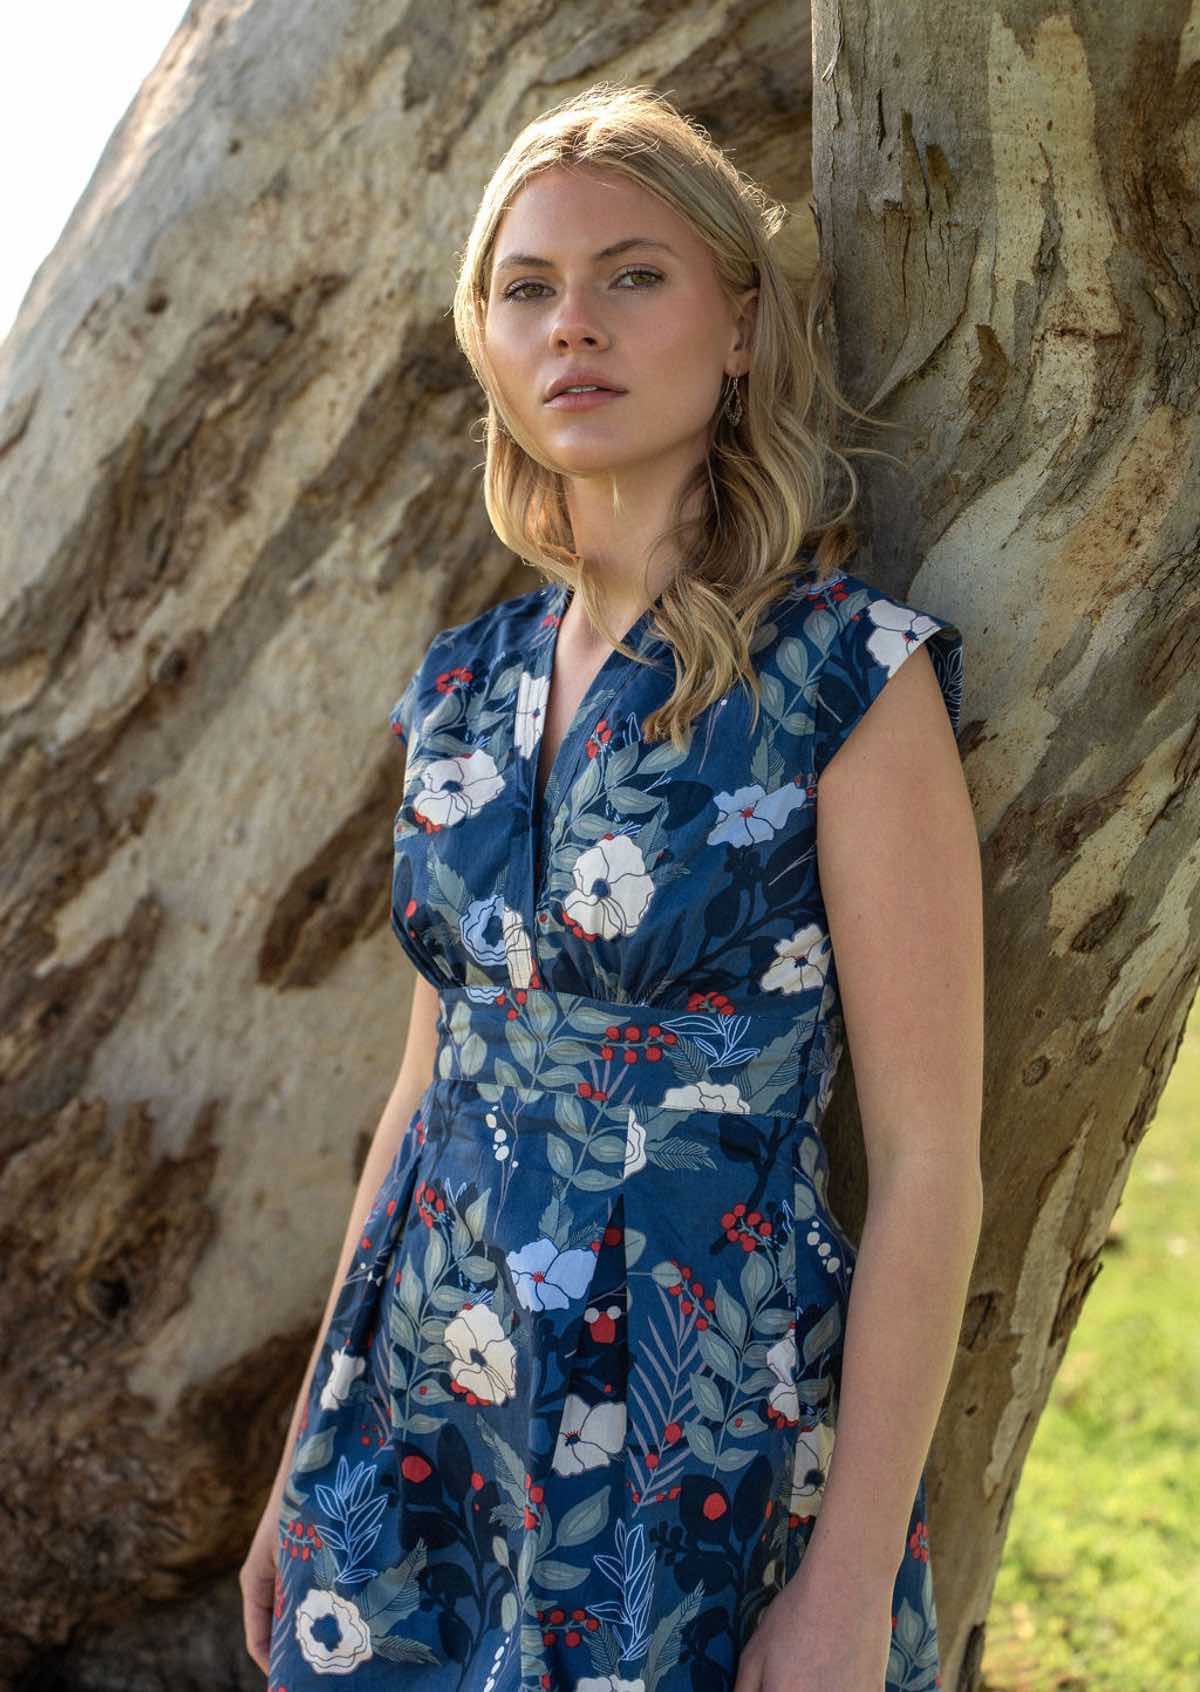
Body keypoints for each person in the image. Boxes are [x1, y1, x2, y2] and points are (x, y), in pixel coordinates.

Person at [241, 82, 983, 1692]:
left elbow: (931, 1165)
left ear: (738, 324)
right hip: (421, 1410)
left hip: (691, 1418)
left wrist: (850, 1585)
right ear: (488, 344)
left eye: (633, 275)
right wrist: (308, 1452)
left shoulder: (846, 676)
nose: (572, 324)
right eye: (528, 288)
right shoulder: (459, 687)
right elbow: (425, 1088)